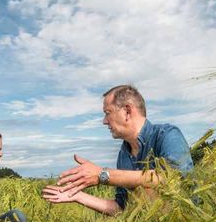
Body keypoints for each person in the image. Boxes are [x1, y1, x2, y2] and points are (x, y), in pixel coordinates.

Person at [41, 84, 193, 215]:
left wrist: (103, 175)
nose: (104, 121)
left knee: (148, 190)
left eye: (108, 113)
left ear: (127, 111)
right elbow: (122, 208)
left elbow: (172, 177)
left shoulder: (167, 135)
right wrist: (77, 196)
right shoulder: (124, 154)